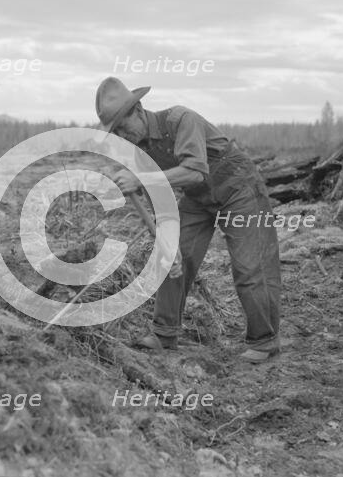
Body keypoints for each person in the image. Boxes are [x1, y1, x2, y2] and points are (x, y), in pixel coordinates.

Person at [95, 76, 281, 363]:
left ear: (140, 110)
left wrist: (140, 179)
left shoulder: (181, 120)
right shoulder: (138, 149)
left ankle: (265, 340)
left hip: (239, 188)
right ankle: (164, 333)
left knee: (249, 265)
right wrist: (164, 232)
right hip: (198, 198)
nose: (122, 134)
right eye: (115, 131)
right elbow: (159, 192)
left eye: (123, 125)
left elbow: (195, 171)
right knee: (170, 256)